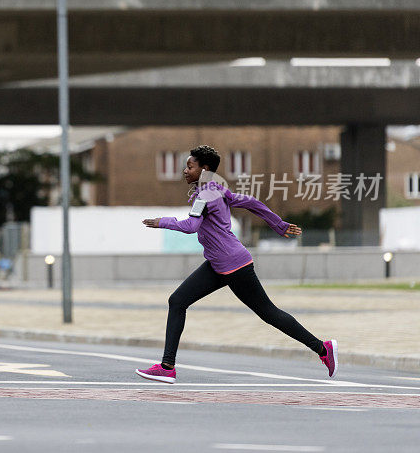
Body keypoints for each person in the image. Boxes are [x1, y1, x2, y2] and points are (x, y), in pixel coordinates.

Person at [135, 145, 337, 384]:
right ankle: (167, 366)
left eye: (190, 166)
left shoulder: (206, 194)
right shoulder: (215, 189)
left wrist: (163, 222)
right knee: (177, 301)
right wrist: (278, 224)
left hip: (234, 265)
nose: (184, 170)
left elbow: (191, 226)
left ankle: (323, 349)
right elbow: (250, 202)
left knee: (269, 313)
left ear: (205, 168)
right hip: (218, 264)